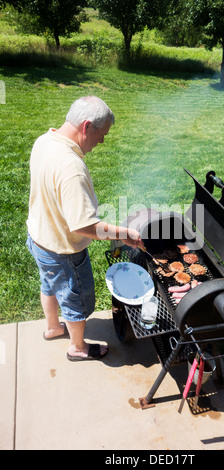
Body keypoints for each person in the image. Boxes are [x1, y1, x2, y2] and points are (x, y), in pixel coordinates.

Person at [26, 96, 142, 361]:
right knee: (75, 300)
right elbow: (84, 226)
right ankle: (78, 348)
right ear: (86, 126)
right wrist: (126, 235)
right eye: (102, 135)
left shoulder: (45, 140)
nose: (102, 141)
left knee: (50, 284)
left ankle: (54, 328)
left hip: (39, 238)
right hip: (62, 249)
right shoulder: (71, 168)